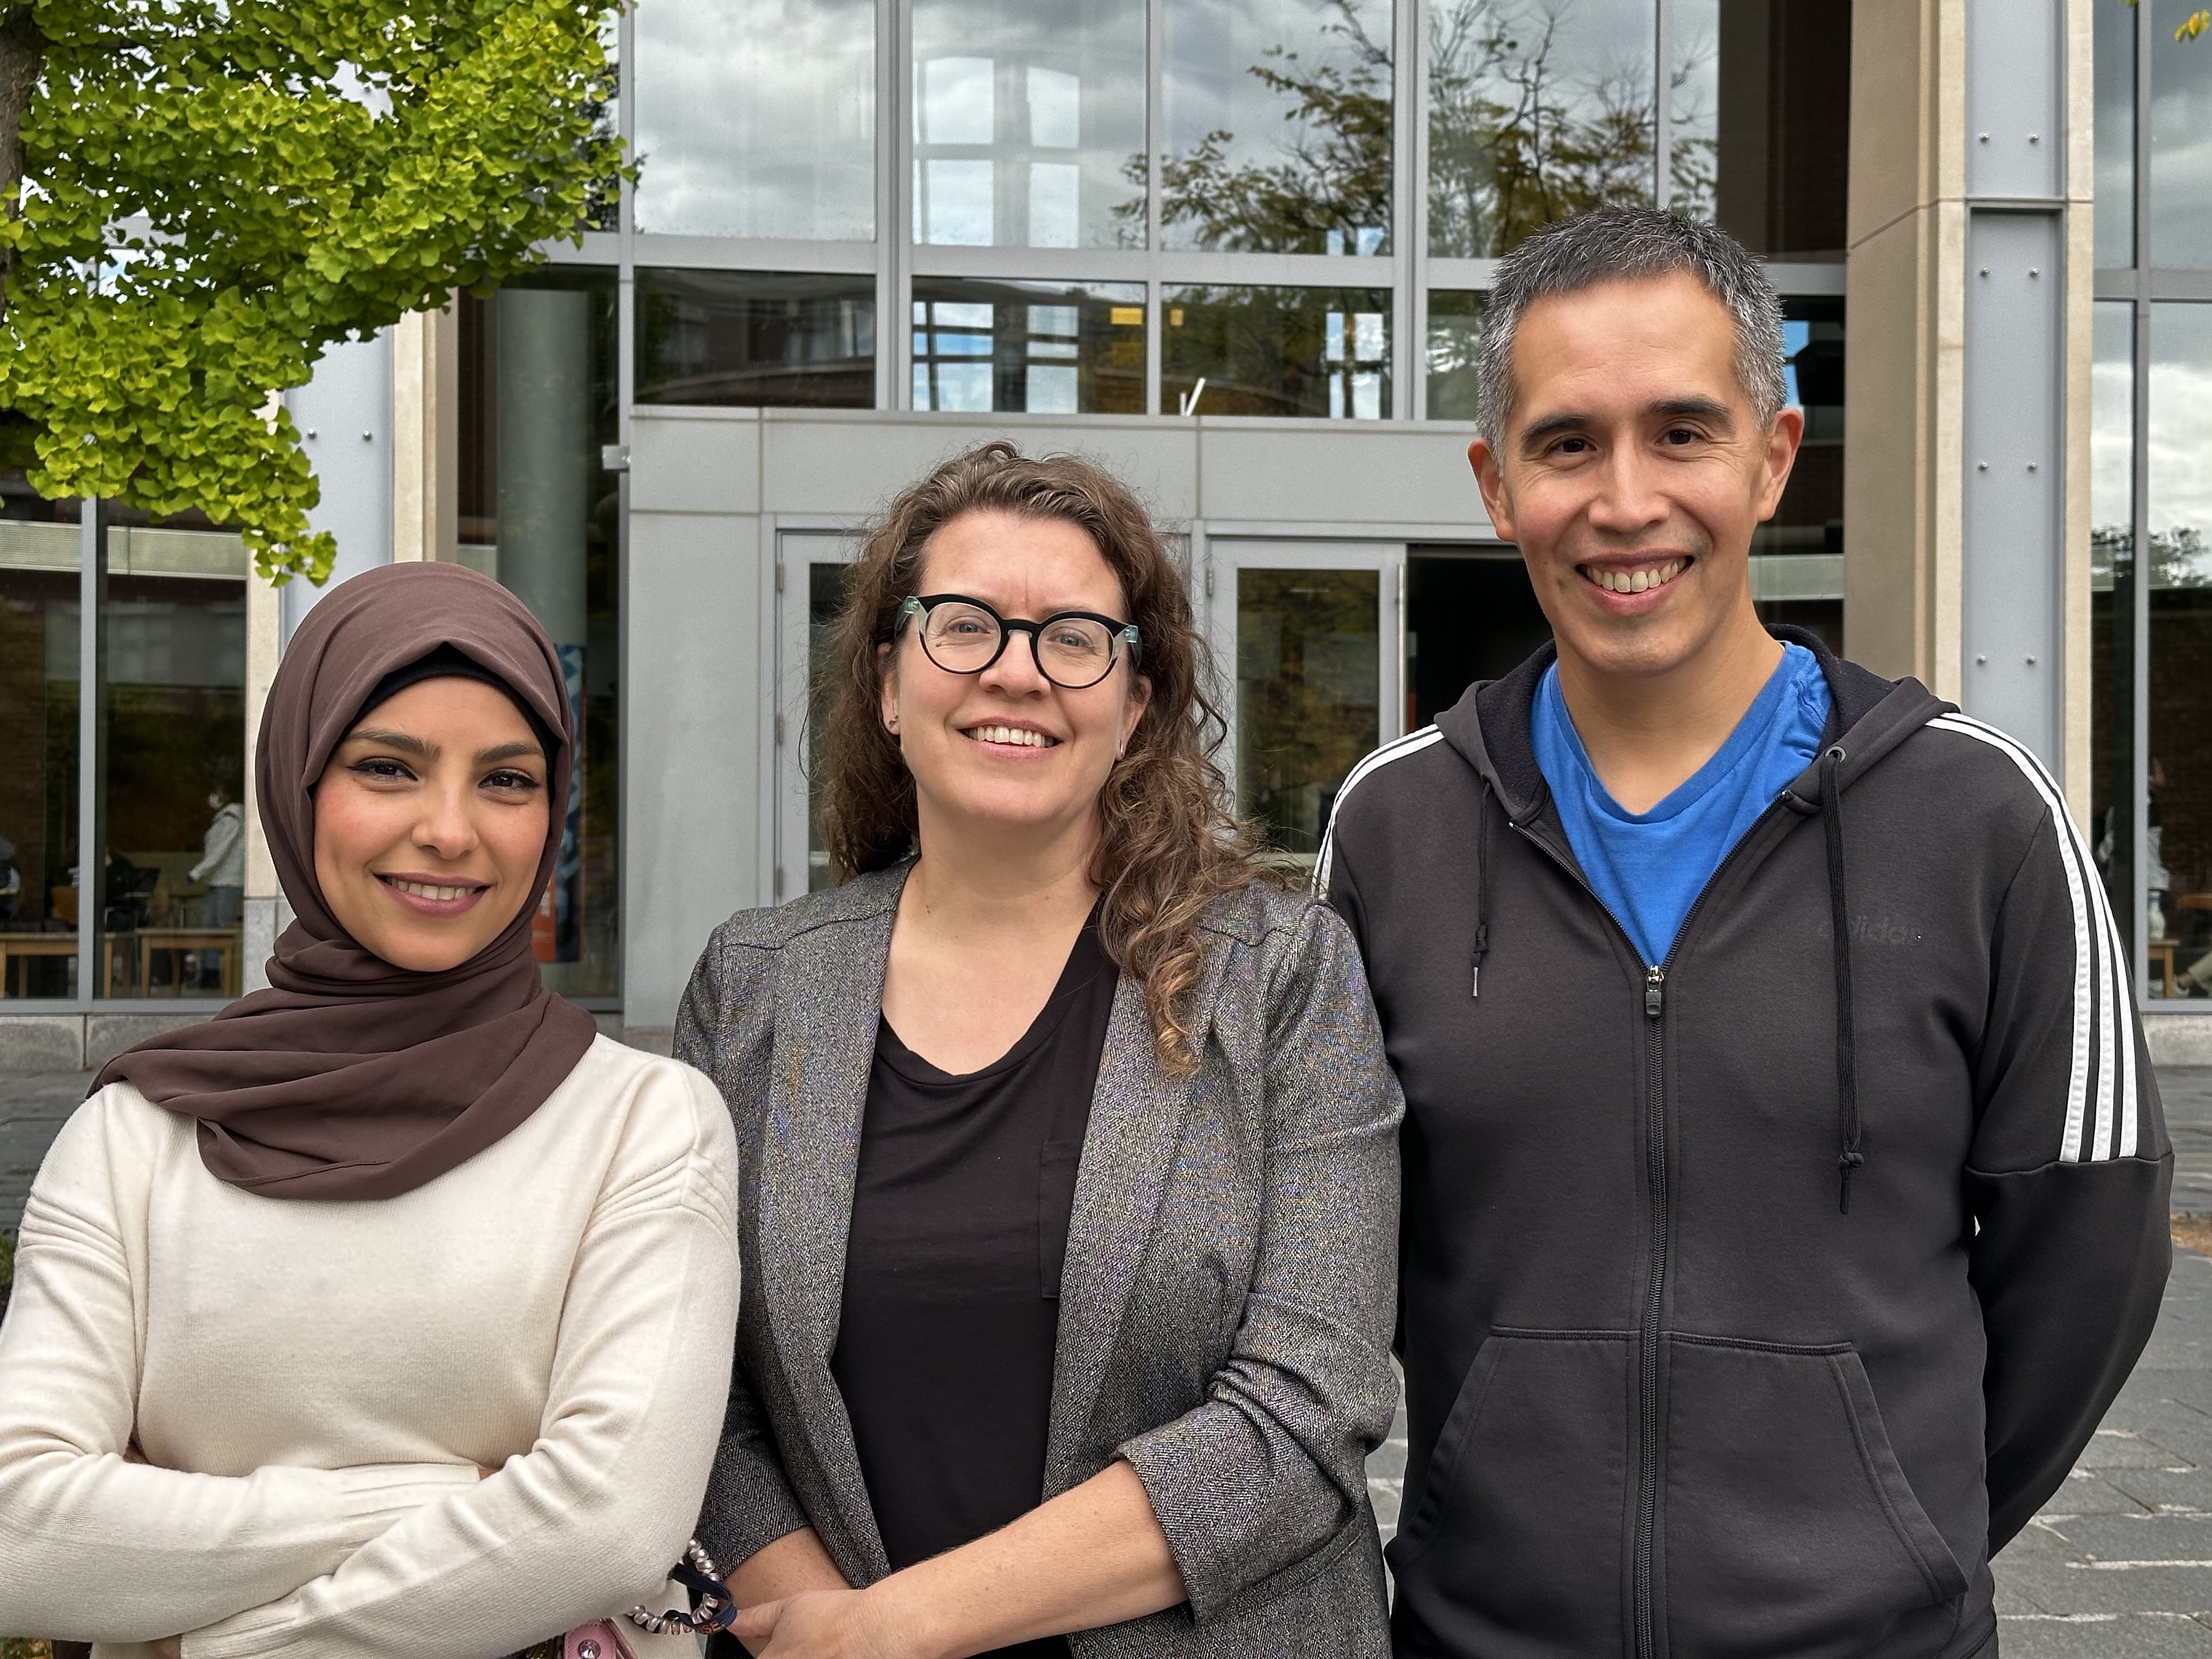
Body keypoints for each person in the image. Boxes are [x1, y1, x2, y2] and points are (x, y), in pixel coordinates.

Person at [1317, 208, 2171, 1659]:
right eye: (1570, 443)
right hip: (1484, 1639)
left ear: (1773, 457)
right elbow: (1333, 1262)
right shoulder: (1390, 830)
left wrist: (1890, 1531)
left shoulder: (1983, 820)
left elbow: (2086, 1262)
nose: (1626, 500)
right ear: (1496, 483)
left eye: (1684, 433)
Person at [675, 442, 1400, 1659]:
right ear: (890, 684)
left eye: (1073, 638)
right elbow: (704, 1394)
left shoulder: (1282, 975)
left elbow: (1306, 1407)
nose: (1018, 674)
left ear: (1135, 703)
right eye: (964, 626)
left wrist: (900, 1631)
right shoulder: (755, 988)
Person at [0, 562, 741, 1659]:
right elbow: (19, 1536)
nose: (449, 831)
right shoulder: (137, 1139)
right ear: (297, 787)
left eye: (507, 780)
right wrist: (441, 1503)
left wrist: (201, 1622)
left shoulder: (644, 1123)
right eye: (388, 768)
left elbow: (614, 1525)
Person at [189, 782, 246, 990]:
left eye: (217, 792)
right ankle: (211, 973)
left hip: (228, 881)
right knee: (210, 929)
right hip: (217, 880)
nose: (212, 797)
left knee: (224, 930)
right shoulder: (223, 819)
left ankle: (226, 976)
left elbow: (219, 852)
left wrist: (196, 873)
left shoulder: (232, 819)